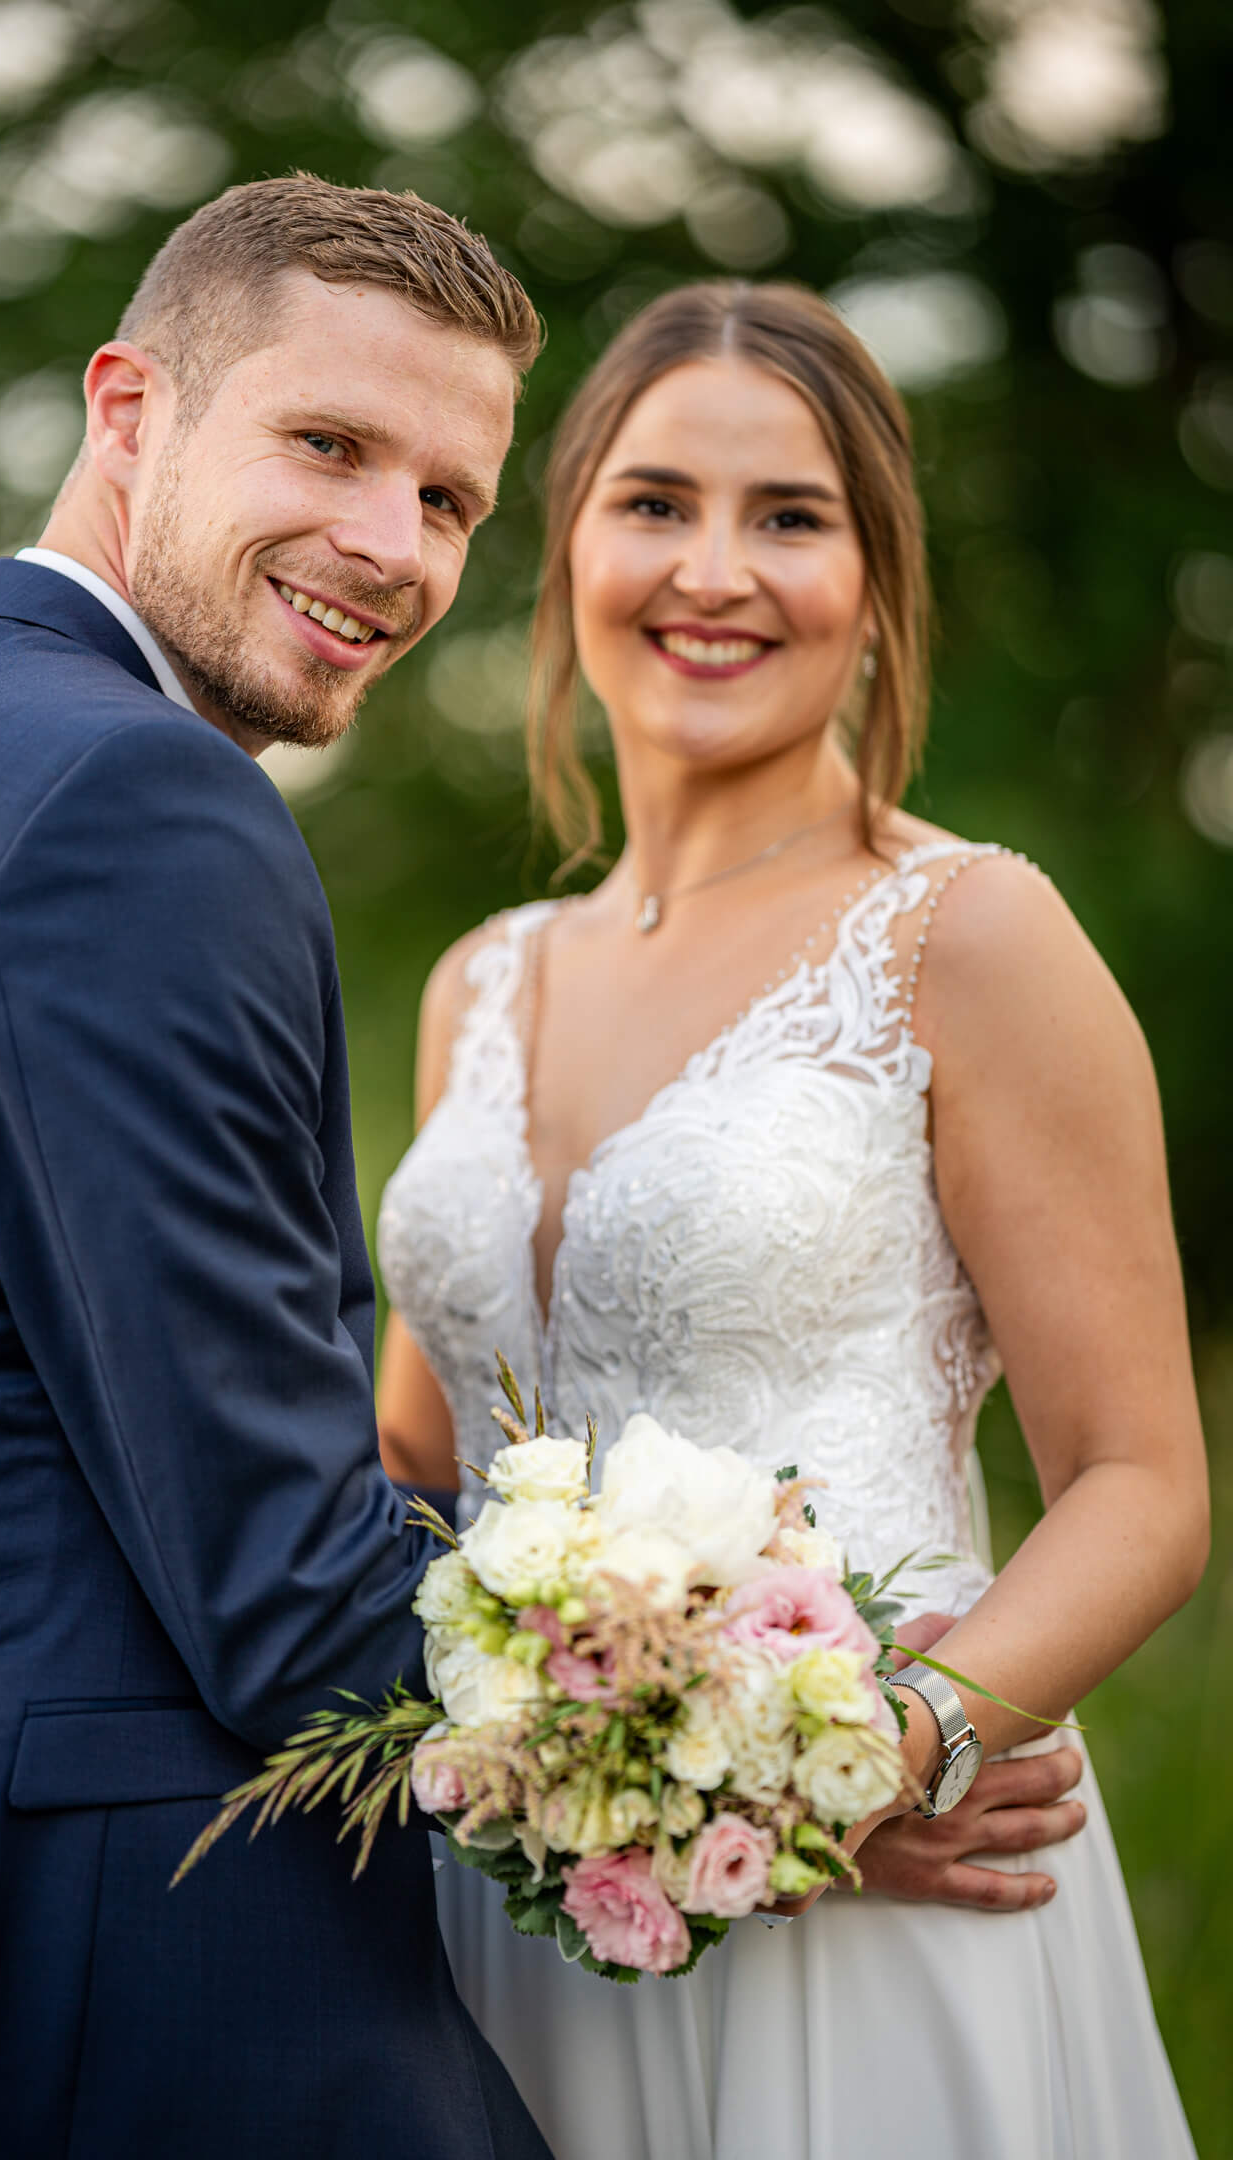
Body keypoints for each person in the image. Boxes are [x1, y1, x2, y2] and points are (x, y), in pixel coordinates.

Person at [376, 280, 1207, 2158]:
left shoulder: (972, 938)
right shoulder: (478, 983)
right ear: (570, 531)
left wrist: (867, 1775)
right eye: (656, 501)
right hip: (520, 1915)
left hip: (872, 1916)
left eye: (792, 517)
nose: (715, 570)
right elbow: (414, 1467)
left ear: (876, 576)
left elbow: (1144, 1485)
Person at [0, 175, 553, 2159]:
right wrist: (753, 1721)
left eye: (451, 499)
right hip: (145, 2000)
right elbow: (291, 1600)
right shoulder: (143, 803)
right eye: (329, 443)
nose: (390, 544)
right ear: (127, 408)